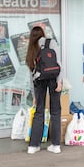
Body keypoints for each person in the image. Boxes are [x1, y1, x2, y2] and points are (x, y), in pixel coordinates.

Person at [25, 26, 63, 154]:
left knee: (39, 112)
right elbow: (59, 63)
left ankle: (33, 146)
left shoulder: (31, 48)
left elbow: (31, 73)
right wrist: (59, 81)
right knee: (56, 111)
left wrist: (34, 94)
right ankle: (56, 145)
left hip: (39, 80)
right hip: (53, 78)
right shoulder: (50, 42)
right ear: (42, 34)